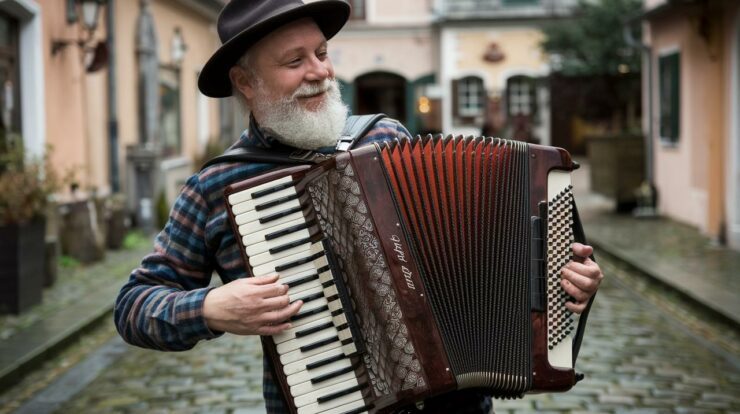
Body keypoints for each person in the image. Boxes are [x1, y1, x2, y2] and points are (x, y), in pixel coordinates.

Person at [114, 1, 604, 413]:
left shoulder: (386, 138)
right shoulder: (216, 186)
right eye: (294, 61)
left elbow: (484, 248)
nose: (320, 72)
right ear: (245, 82)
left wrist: (560, 276)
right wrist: (209, 308)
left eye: (322, 54)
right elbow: (134, 306)